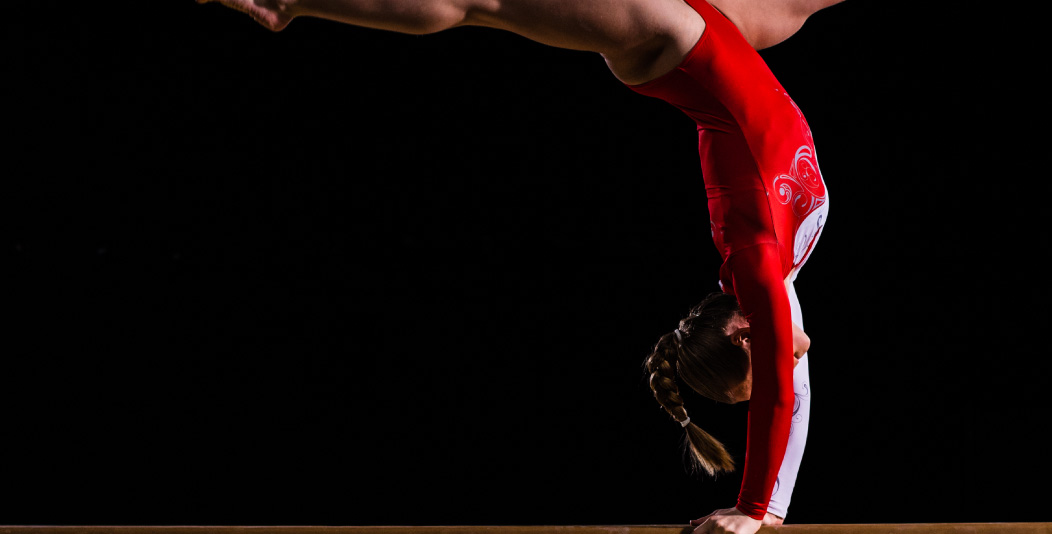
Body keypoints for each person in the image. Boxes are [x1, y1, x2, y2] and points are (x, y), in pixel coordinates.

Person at [199, 0, 838, 532]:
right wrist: (770, 508)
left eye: (762, 367)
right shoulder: (773, 281)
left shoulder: (758, 270)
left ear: (740, 332)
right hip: (708, 30)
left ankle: (288, 1)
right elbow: (791, 391)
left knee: (480, 3)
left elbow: (782, 388)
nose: (793, 358)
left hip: (667, 37)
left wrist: (751, 510)